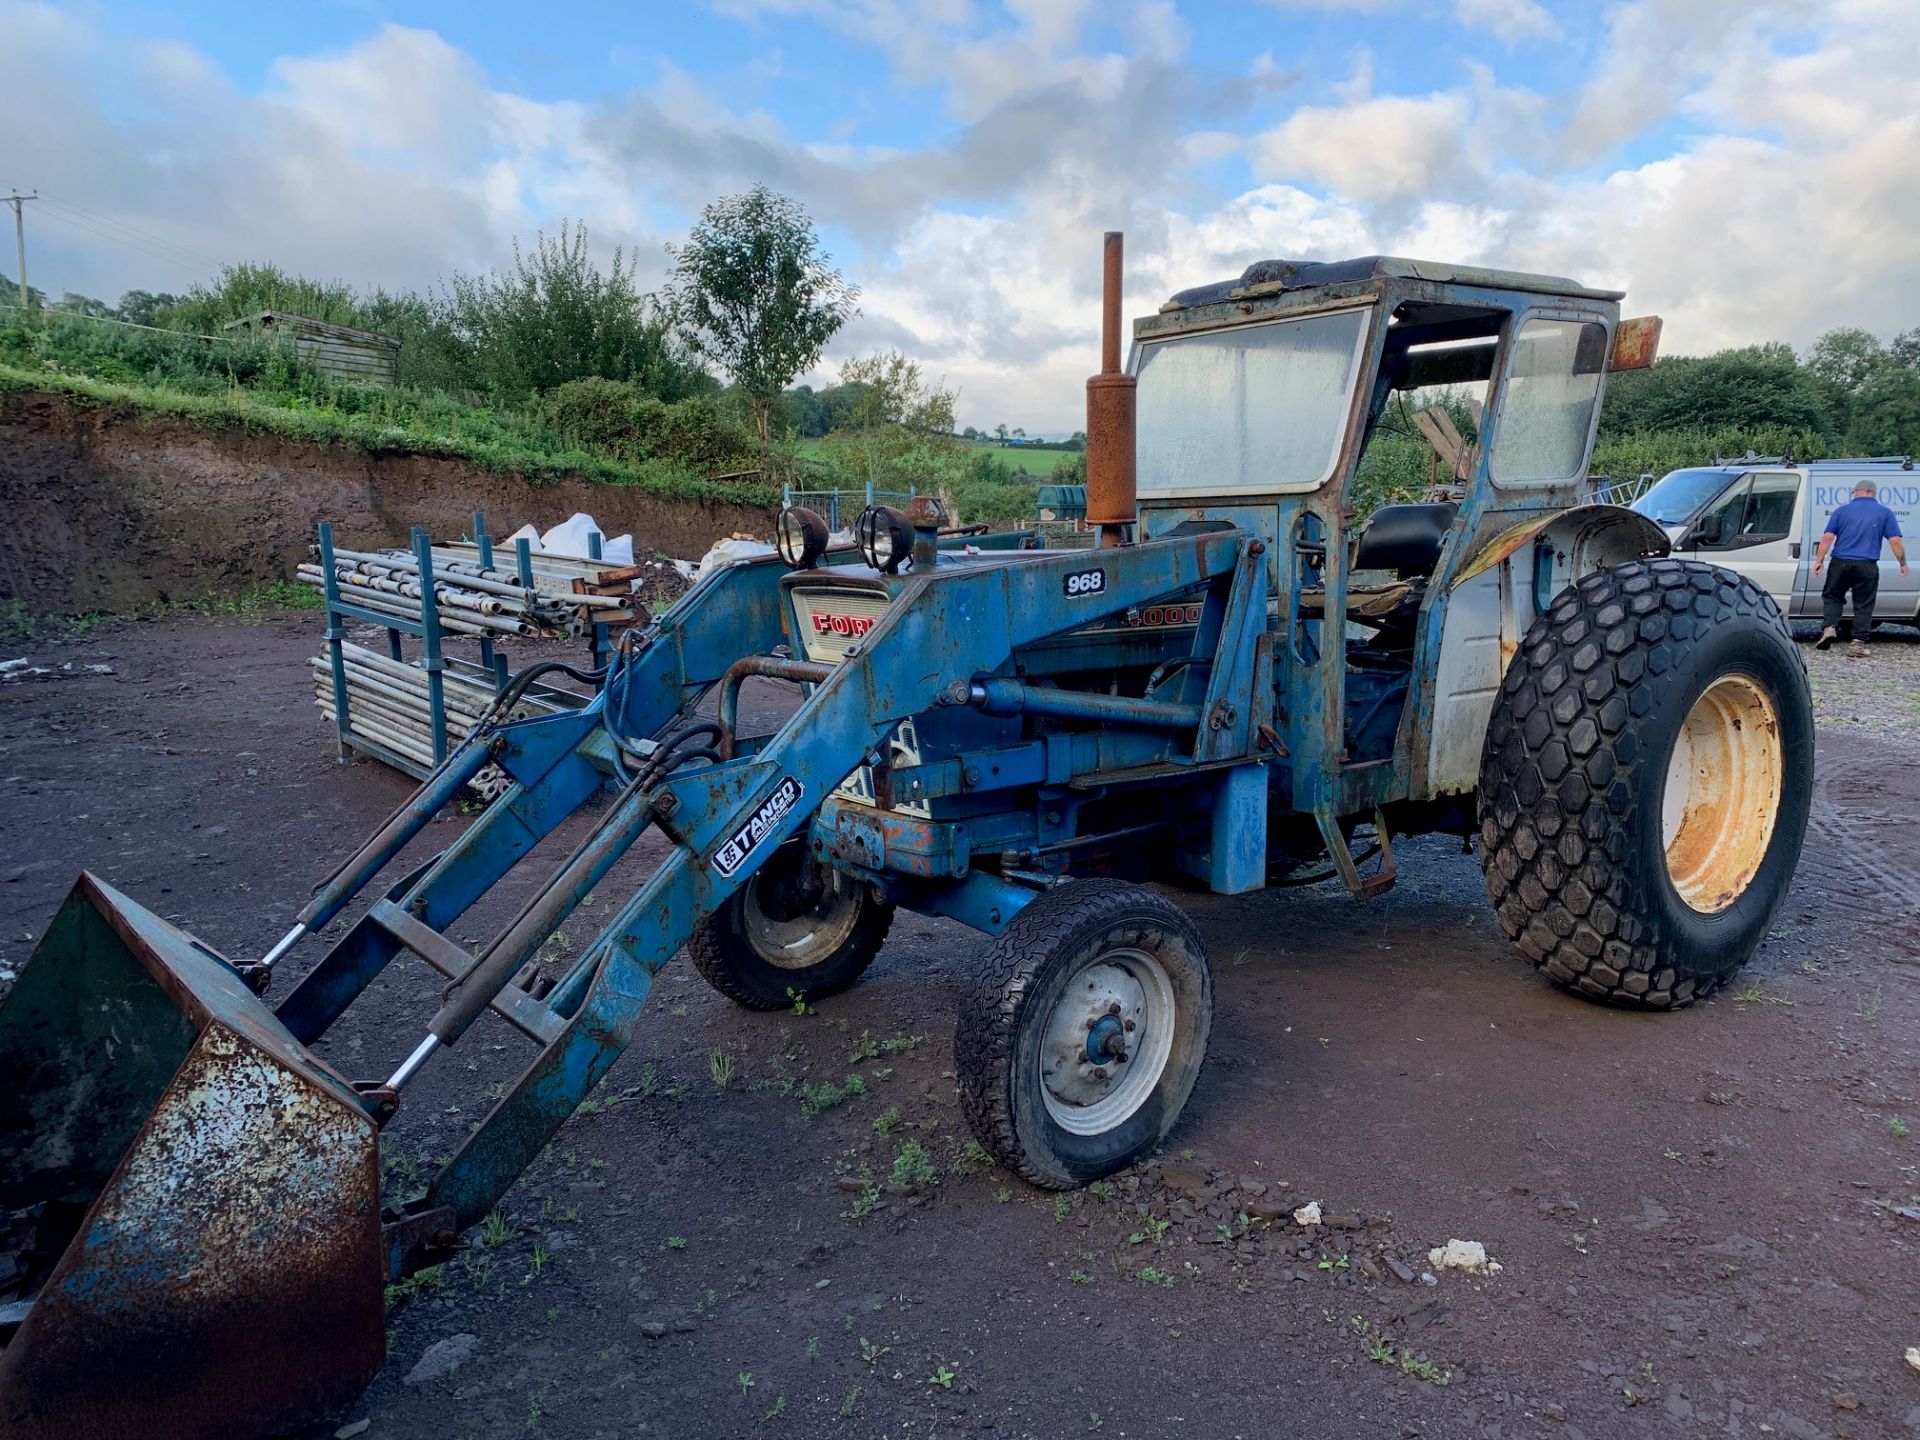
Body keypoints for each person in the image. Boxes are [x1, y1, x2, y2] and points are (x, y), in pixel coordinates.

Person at [1813, 478, 1908, 657]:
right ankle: (1857, 644)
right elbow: (1895, 541)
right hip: (1867, 565)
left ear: (1855, 492)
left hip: (1840, 562)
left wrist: (1819, 561)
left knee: (1832, 595)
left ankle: (1830, 627)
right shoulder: (1884, 512)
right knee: (1864, 604)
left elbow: (1827, 537)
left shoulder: (1841, 511)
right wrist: (1902, 563)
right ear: (1873, 493)